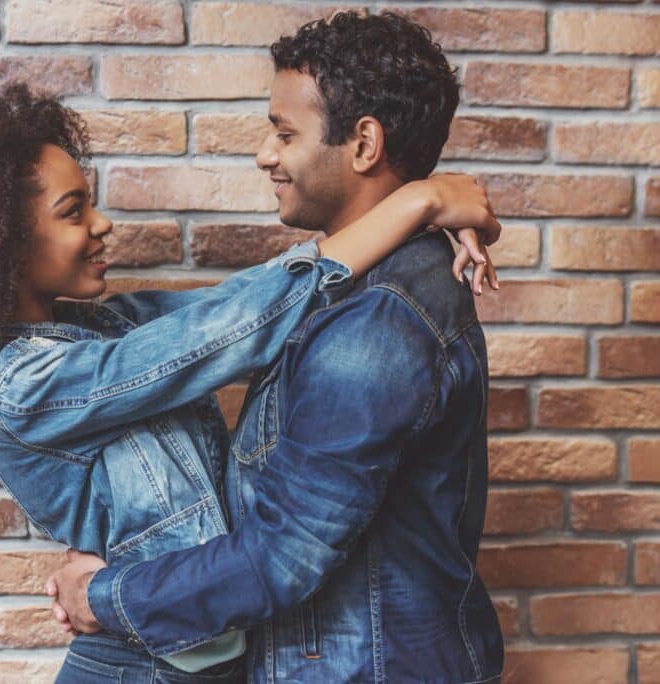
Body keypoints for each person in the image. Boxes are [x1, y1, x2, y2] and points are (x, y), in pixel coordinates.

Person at [0, 81, 499, 682]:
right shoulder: (24, 387)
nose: (102, 224)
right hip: (135, 666)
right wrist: (422, 199)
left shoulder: (106, 330)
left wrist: (418, 216)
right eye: (73, 212)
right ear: (2, 242)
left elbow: (237, 311)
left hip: (186, 654)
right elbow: (229, 330)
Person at [50, 11, 507, 683]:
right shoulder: (345, 288)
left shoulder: (376, 323)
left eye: (284, 132)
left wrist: (104, 597)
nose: (266, 153)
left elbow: (282, 557)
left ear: (363, 144)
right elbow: (202, 323)